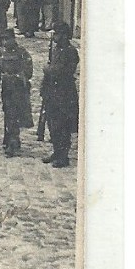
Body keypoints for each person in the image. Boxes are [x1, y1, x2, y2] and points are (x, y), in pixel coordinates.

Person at [40, 22, 79, 168]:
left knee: (63, 125)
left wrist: (48, 69)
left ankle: (63, 156)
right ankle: (56, 152)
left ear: (63, 35)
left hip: (64, 92)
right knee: (52, 123)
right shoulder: (57, 49)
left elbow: (63, 71)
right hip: (53, 91)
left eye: (56, 34)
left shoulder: (70, 52)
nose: (54, 36)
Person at [0, 29, 33, 158]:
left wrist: (16, 76)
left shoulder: (22, 53)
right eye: (4, 39)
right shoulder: (1, 53)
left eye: (8, 39)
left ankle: (13, 141)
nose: (5, 42)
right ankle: (9, 138)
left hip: (19, 89)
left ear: (13, 39)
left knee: (14, 114)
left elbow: (28, 71)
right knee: (8, 112)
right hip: (6, 88)